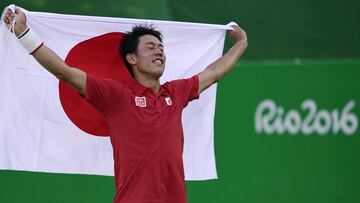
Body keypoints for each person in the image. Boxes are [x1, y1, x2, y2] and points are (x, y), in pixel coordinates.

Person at [3, 7, 247, 203]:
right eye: (150, 47)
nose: (159, 52)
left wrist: (240, 44)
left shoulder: (176, 92)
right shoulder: (116, 95)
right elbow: (65, 72)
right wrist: (24, 34)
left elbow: (214, 72)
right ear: (132, 58)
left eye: (161, 48)